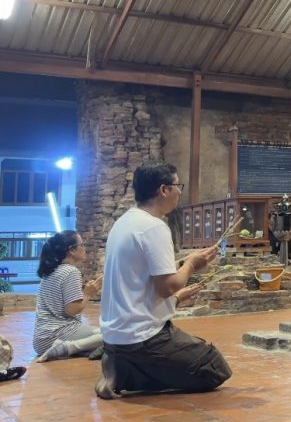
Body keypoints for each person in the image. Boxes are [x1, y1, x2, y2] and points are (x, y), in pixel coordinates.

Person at [95, 160, 232, 399]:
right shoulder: (154, 227)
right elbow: (166, 287)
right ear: (164, 190)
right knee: (212, 367)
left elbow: (144, 277)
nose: (180, 191)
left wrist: (183, 269)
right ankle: (125, 372)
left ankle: (121, 361)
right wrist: (191, 265)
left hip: (115, 337)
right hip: (143, 337)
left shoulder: (124, 222)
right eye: (178, 186)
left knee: (195, 346)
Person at [32, 231, 103, 362]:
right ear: (72, 250)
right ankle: (67, 348)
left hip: (41, 340)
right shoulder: (70, 272)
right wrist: (88, 293)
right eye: (82, 245)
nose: (84, 248)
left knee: (105, 344)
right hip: (57, 335)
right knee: (112, 336)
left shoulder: (51, 271)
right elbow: (72, 310)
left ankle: (80, 349)